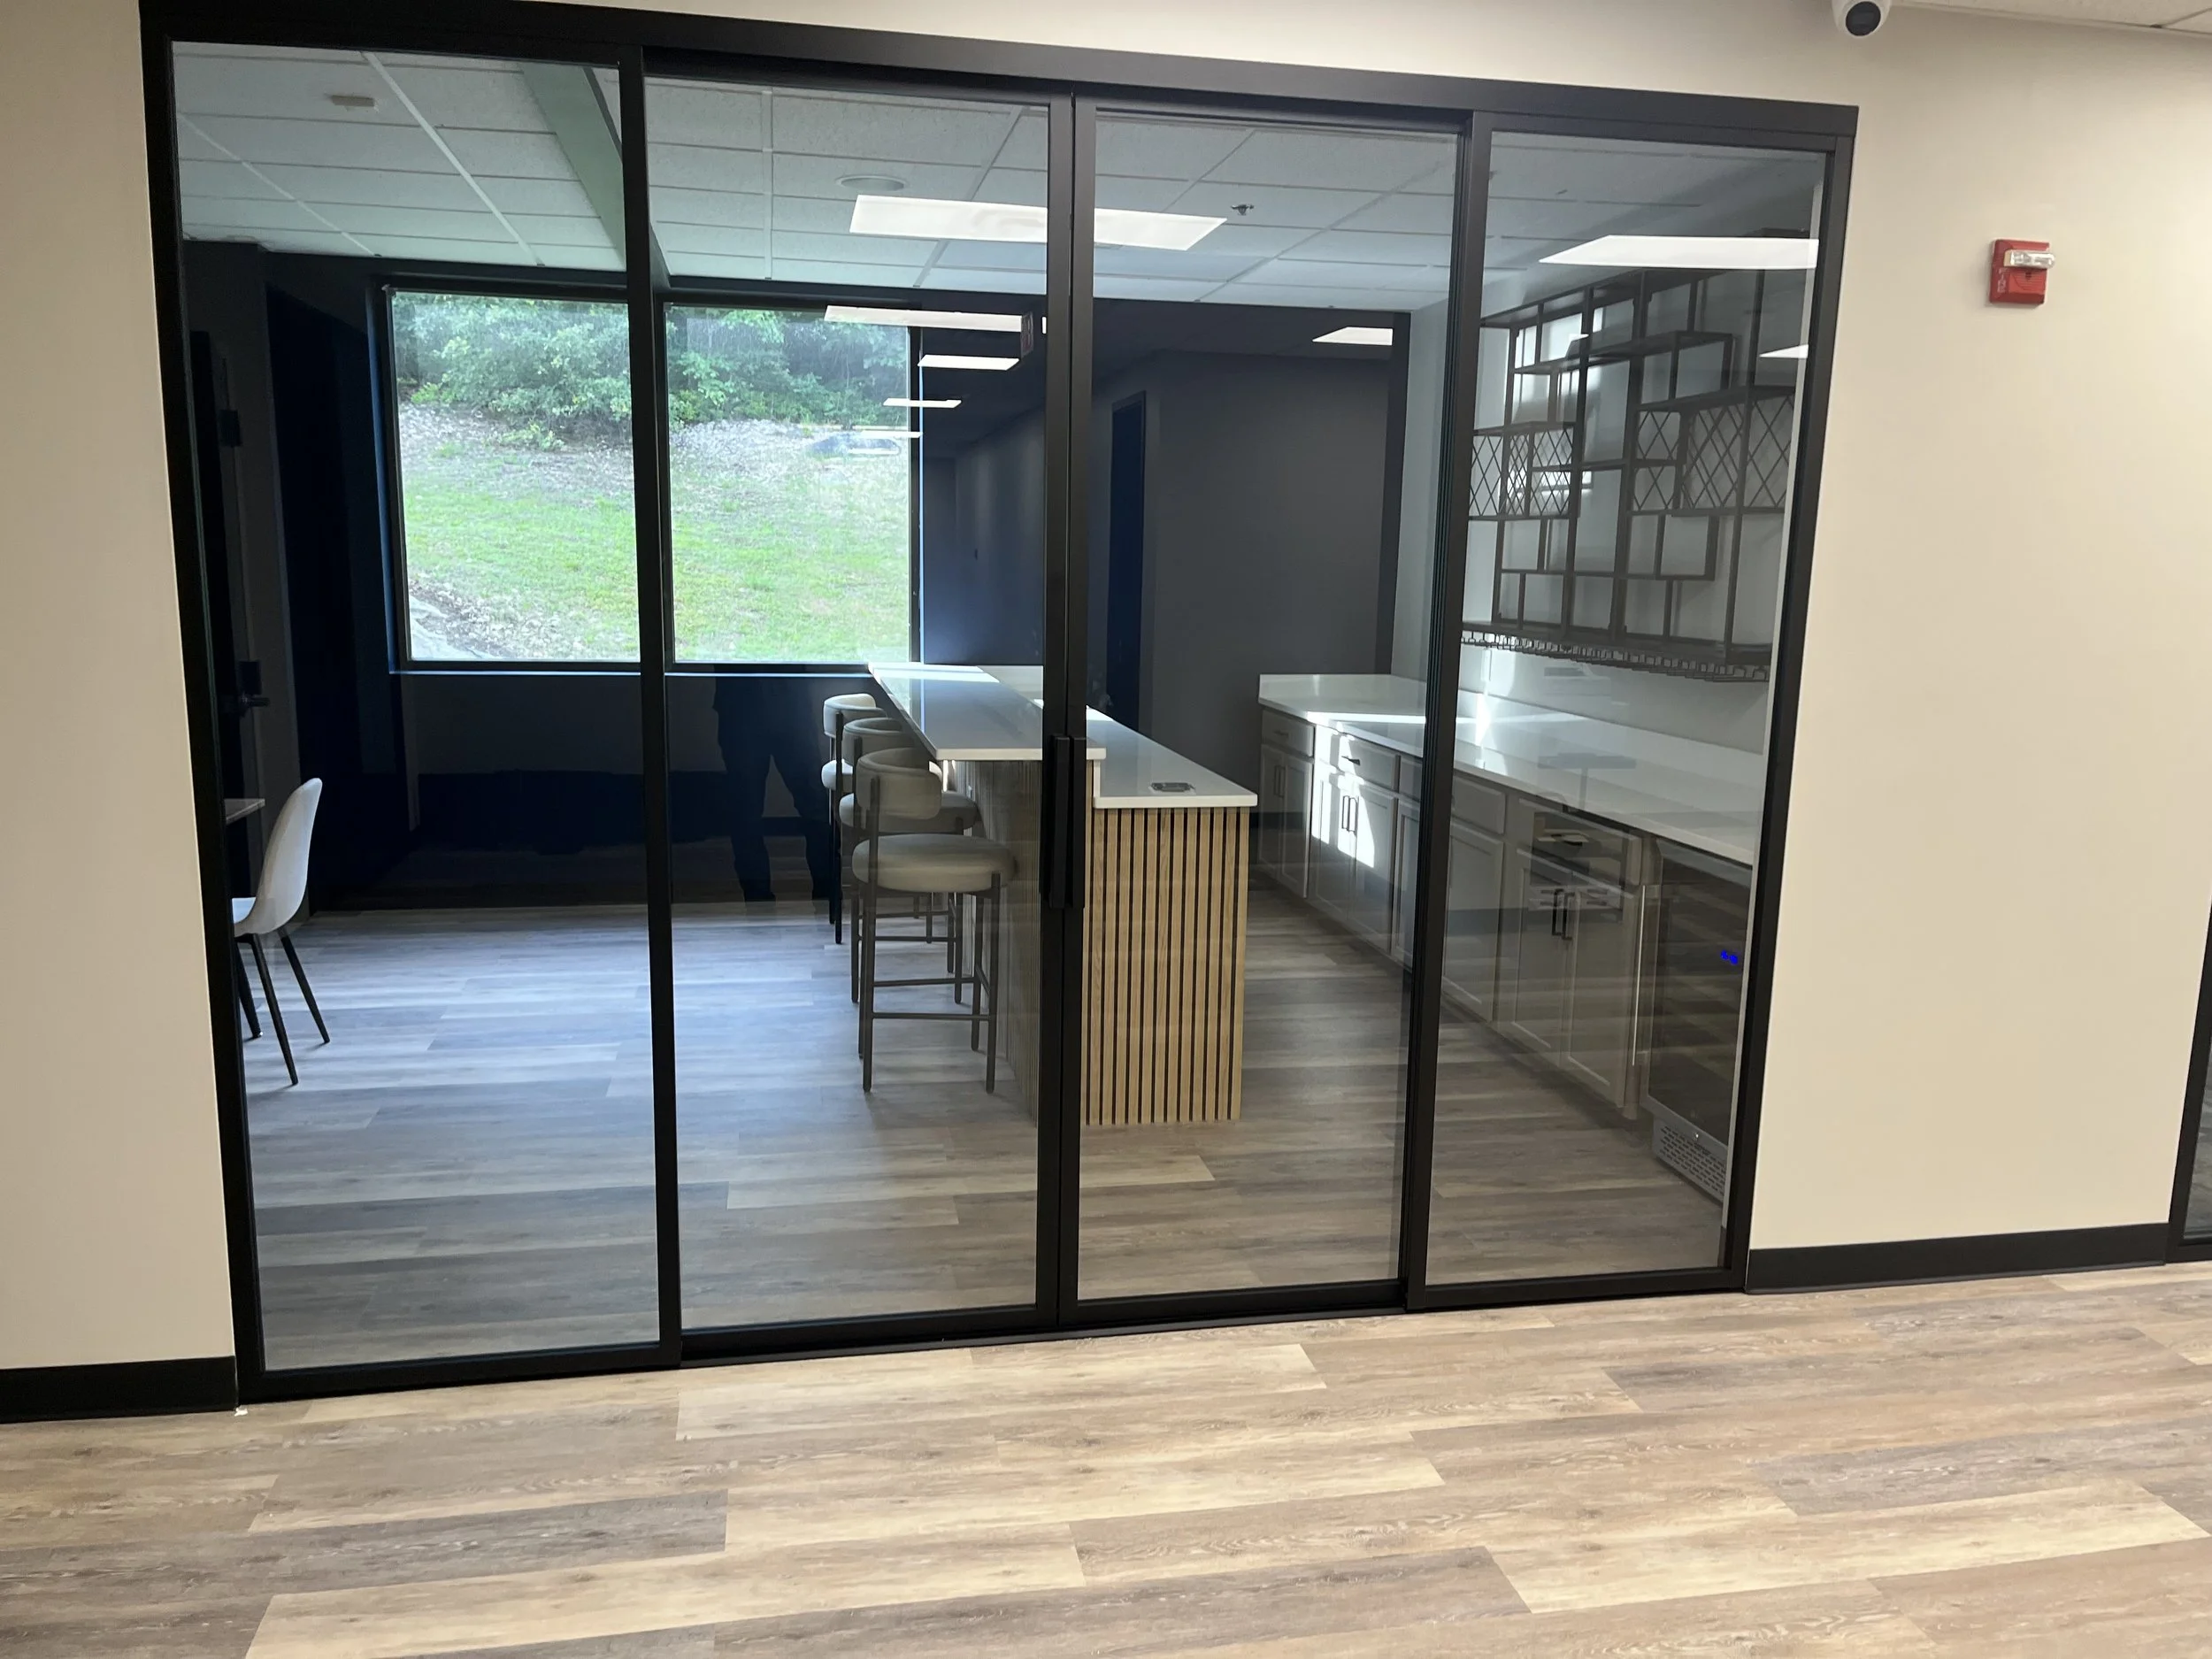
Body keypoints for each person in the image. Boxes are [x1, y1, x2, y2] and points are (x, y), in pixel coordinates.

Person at [711, 675, 840, 902]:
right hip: (769, 704)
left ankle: (824, 894)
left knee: (751, 812)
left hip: (758, 705)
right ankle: (822, 896)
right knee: (749, 812)